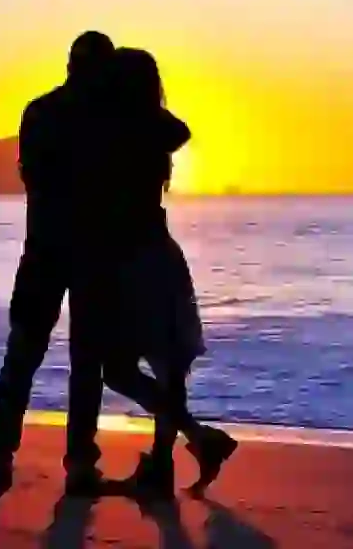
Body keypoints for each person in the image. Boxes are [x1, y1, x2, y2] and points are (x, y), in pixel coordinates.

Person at [67, 47, 236, 499]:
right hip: (159, 254)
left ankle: (191, 444)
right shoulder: (153, 130)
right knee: (164, 367)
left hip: (131, 259)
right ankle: (172, 458)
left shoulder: (114, 131)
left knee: (120, 369)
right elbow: (178, 128)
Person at [0, 31, 115, 494]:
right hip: (92, 255)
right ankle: (80, 465)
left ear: (69, 65)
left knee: (22, 356)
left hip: (44, 248)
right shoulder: (112, 120)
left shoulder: (40, 112)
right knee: (85, 362)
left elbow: (30, 176)